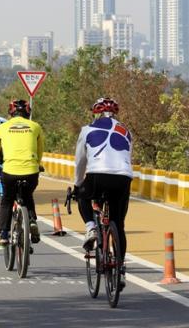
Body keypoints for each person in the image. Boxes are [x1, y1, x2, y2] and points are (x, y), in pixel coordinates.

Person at [74, 97, 132, 289]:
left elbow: (80, 161)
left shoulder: (87, 129)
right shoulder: (126, 132)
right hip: (123, 178)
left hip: (97, 175)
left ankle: (91, 227)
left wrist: (78, 184)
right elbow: (125, 157)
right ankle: (120, 270)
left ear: (96, 113)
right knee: (118, 223)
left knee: (83, 194)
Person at [0, 100, 44, 249]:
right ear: (28, 113)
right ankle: (31, 220)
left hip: (10, 171)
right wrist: (37, 164)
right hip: (31, 171)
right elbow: (40, 150)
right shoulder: (35, 126)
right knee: (27, 195)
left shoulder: (2, 127)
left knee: (7, 200)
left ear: (11, 113)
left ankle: (4, 235)